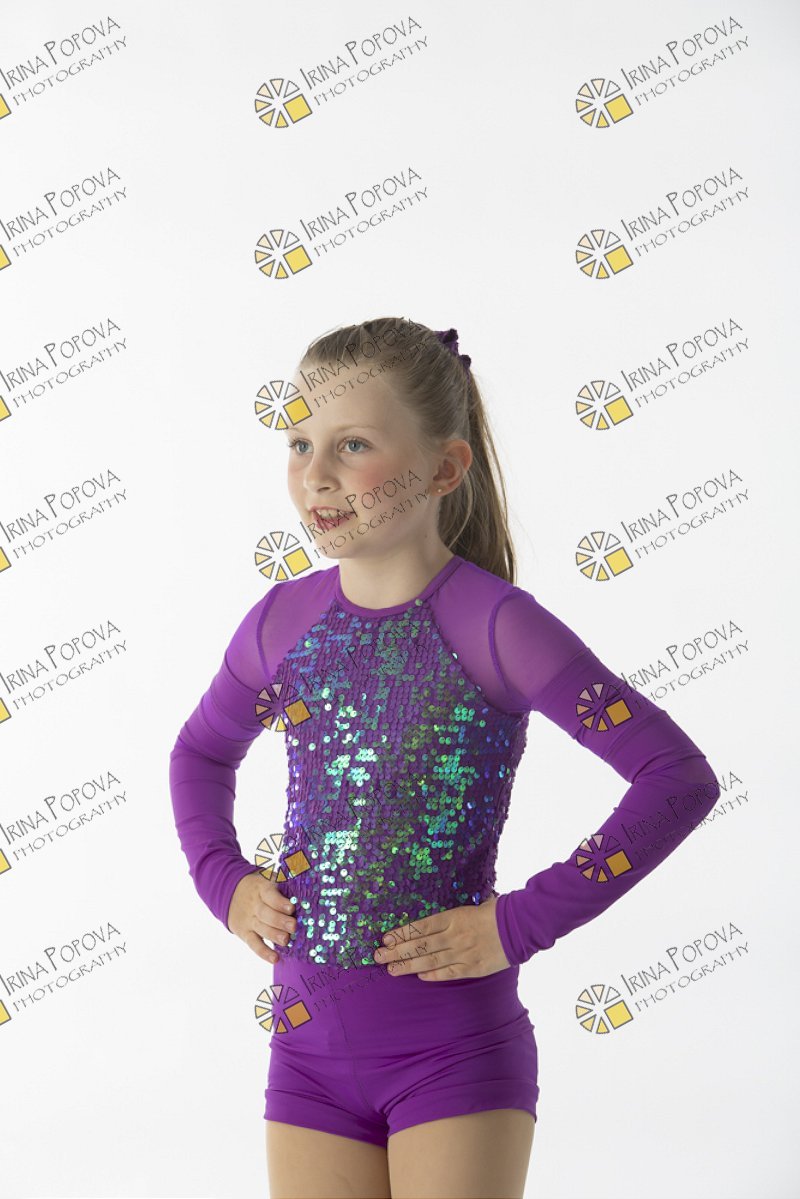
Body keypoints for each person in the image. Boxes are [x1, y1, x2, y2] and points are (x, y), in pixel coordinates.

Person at [169, 317, 720, 1199]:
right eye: (300, 443)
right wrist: (222, 878)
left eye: (353, 445)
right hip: (306, 1059)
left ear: (444, 469)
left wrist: (516, 924)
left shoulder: (498, 626)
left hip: (454, 1055)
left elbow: (676, 780)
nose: (316, 474)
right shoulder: (279, 625)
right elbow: (200, 752)